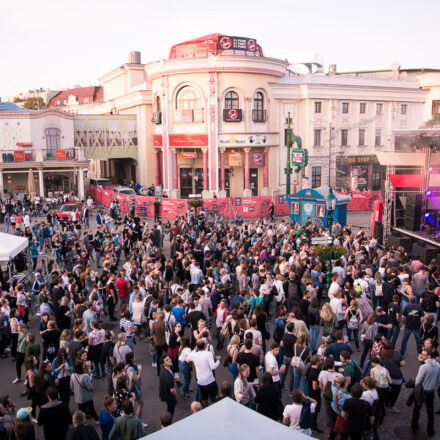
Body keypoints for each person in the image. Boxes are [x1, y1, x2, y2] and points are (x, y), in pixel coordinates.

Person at [411, 347, 440, 438]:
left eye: (423, 355)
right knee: (430, 412)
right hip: (431, 391)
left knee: (417, 409)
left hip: (422, 390)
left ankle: (414, 425)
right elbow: (438, 379)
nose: (421, 356)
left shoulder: (423, 367)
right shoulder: (438, 365)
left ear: (428, 356)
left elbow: (417, 381)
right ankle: (430, 430)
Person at [187, 339, 220, 407]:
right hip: (210, 380)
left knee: (204, 398)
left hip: (201, 382)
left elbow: (187, 358)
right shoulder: (208, 354)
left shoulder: (194, 355)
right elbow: (213, 367)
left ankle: (204, 410)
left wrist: (195, 349)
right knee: (214, 398)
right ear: (205, 346)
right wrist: (218, 361)